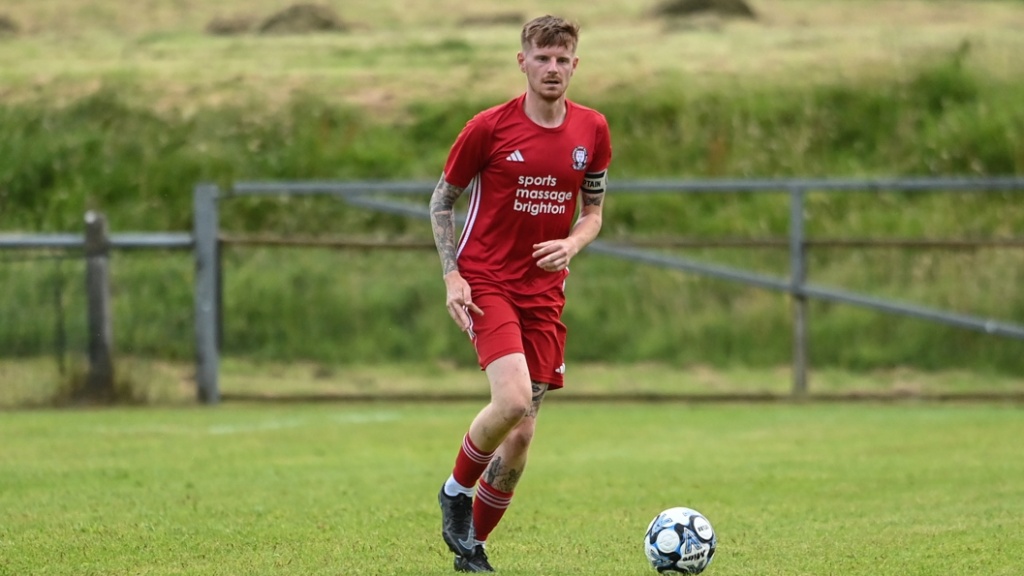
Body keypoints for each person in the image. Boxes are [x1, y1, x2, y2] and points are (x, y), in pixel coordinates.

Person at [428, 14, 612, 573]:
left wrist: (573, 244)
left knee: (523, 435)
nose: (552, 68)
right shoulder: (488, 127)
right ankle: (455, 493)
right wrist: (452, 275)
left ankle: (471, 552)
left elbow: (594, 212)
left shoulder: (593, 129)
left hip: (544, 296)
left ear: (574, 64)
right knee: (509, 403)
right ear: (523, 62)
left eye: (563, 59)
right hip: (488, 281)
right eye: (542, 58)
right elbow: (442, 201)